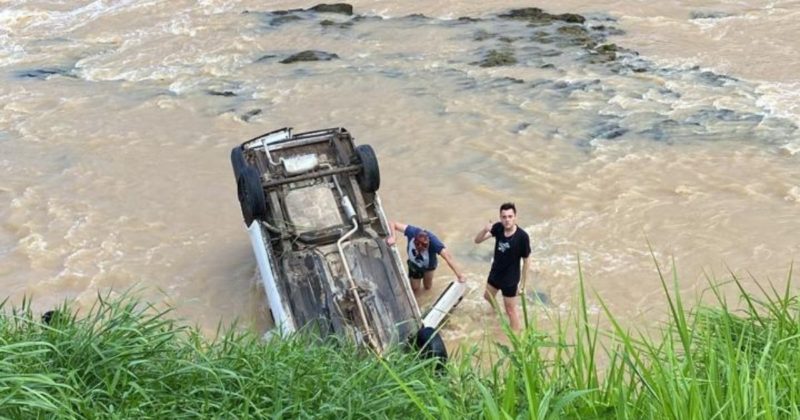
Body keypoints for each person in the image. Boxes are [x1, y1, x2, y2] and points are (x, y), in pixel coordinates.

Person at [473, 202, 531, 331]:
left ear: (515, 217)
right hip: (495, 273)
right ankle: (498, 315)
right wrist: (485, 229)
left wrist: (523, 284)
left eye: (510, 216)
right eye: (504, 217)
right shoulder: (498, 228)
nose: (507, 220)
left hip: (510, 278)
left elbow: (527, 260)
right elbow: (477, 240)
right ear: (500, 217)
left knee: (511, 310)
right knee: (488, 297)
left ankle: (516, 338)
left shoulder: (522, 237)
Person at [386, 221, 466, 292]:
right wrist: (393, 236)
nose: (420, 248)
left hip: (429, 267)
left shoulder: (434, 243)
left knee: (427, 287)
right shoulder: (412, 232)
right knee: (415, 288)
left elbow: (448, 257)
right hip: (414, 265)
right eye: (417, 245)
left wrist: (460, 275)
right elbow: (392, 223)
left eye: (424, 246)